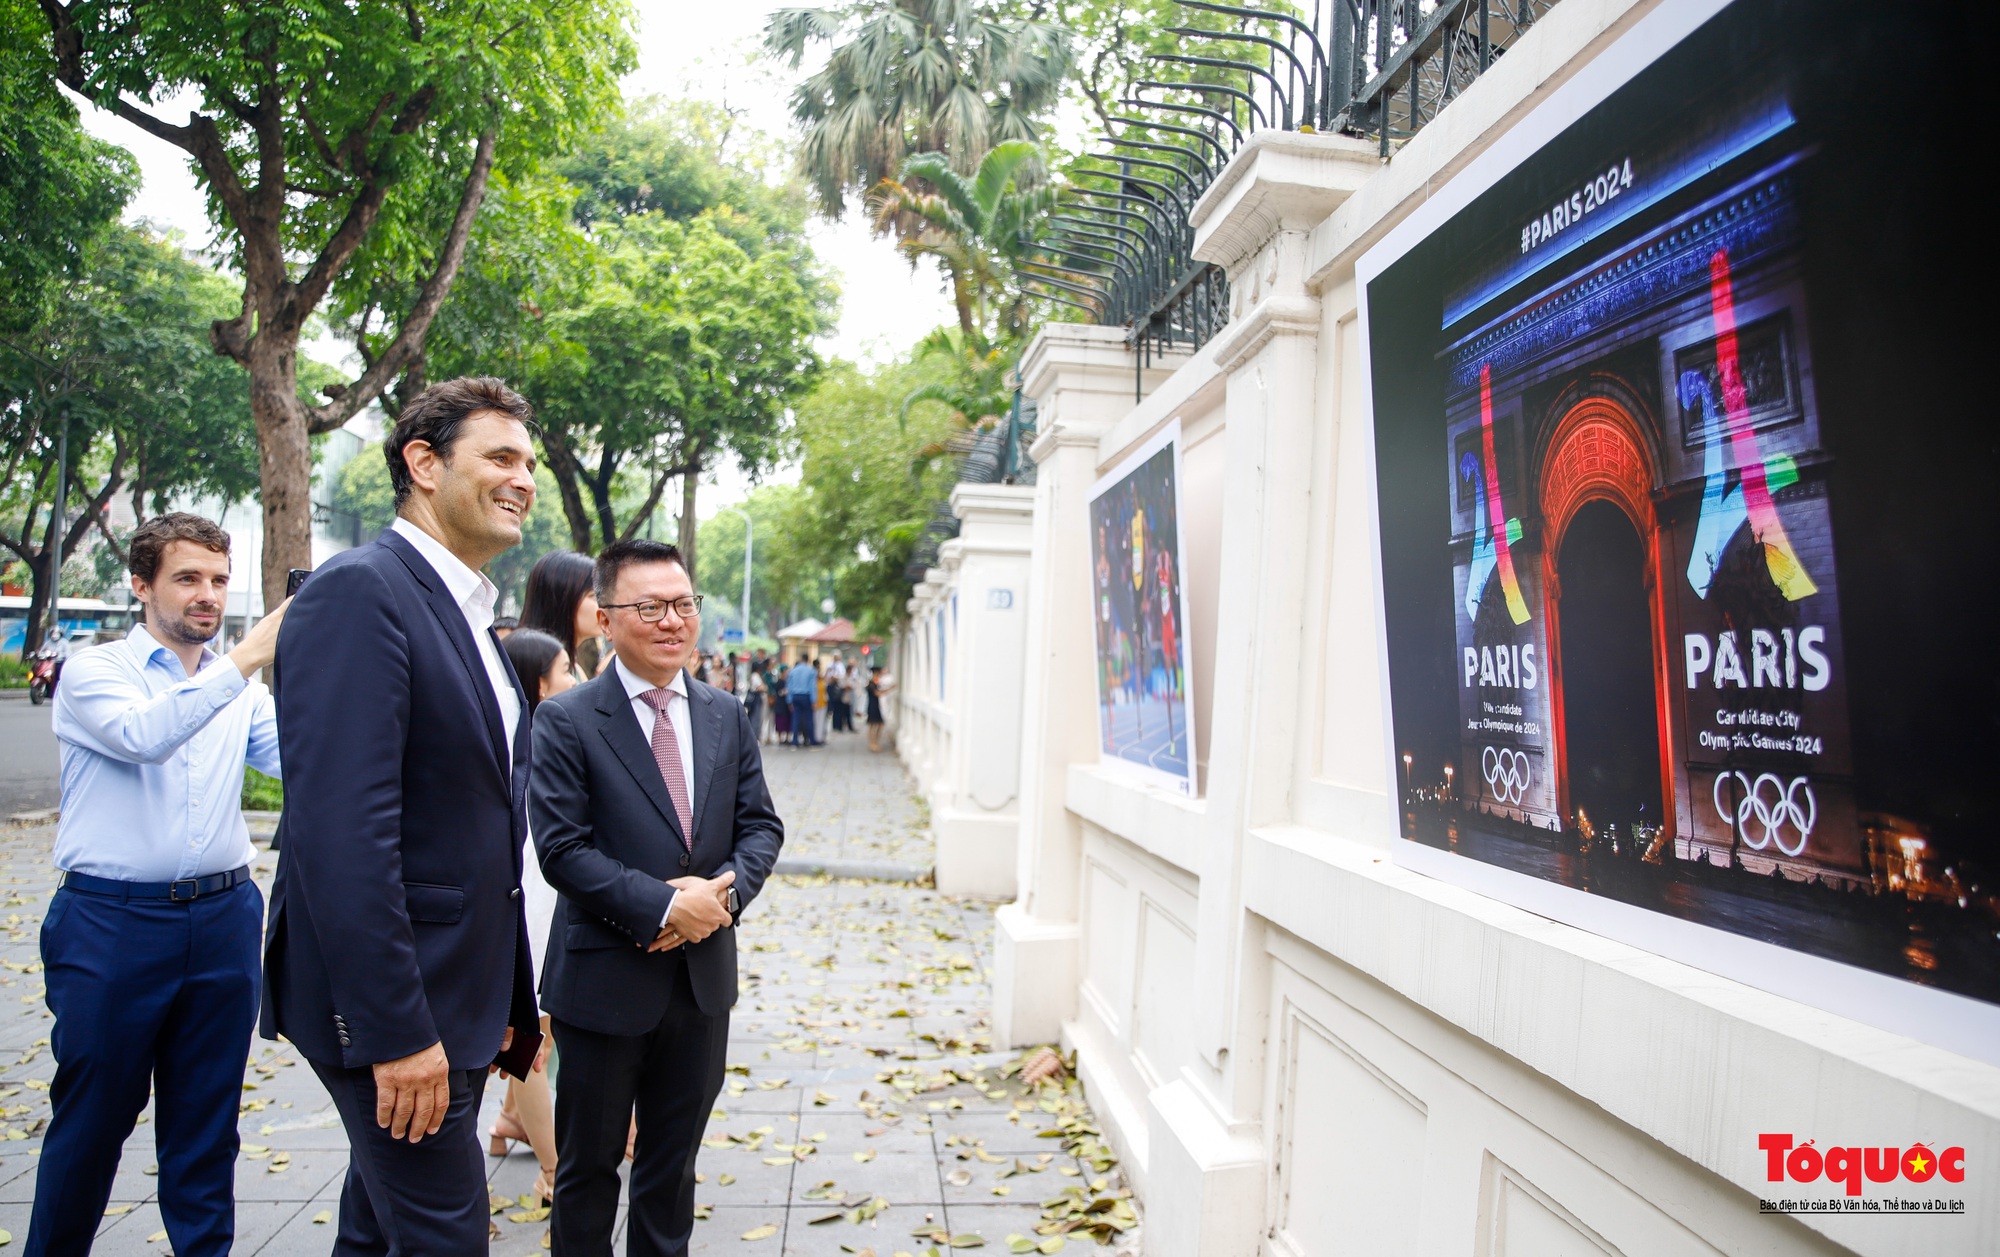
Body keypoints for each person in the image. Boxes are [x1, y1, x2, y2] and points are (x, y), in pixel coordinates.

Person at [264, 377, 544, 1252]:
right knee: (446, 1235)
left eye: (530, 463)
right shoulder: (361, 591)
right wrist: (395, 1033)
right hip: (396, 1011)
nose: (524, 479)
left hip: (457, 999)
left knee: (374, 1233)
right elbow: (341, 836)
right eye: (501, 457)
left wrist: (505, 998)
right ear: (424, 463)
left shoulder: (465, 609)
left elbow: (470, 821)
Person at [31, 515, 285, 1255]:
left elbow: (306, 759)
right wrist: (244, 660)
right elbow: (146, 736)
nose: (208, 594)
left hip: (224, 916)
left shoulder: (240, 689)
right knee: (92, 1121)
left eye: (218, 579)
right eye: (187, 578)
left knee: (207, 1125)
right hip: (110, 922)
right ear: (142, 585)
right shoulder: (96, 671)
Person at [529, 538, 784, 1255]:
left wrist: (721, 899)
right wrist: (665, 906)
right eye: (649, 607)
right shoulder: (568, 719)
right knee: (586, 1172)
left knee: (672, 1172)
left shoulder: (725, 713)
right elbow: (562, 850)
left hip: (700, 986)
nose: (672, 620)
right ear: (606, 619)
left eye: (682, 604)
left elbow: (760, 826)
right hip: (603, 983)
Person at [493, 628, 572, 1206]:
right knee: (528, 1048)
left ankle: (524, 1141)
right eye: (566, 669)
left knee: (528, 1045)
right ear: (540, 684)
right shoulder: (538, 741)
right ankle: (553, 1169)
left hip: (540, 904)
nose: (575, 678)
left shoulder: (522, 736)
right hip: (535, 909)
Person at [520, 550, 601, 684]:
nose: (605, 606)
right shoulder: (537, 670)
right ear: (563, 600)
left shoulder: (574, 669)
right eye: (594, 596)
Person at [785, 655, 818, 747]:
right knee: (809, 719)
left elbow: (789, 686)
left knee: (795, 719)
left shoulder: (793, 671)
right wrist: (814, 700)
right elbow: (812, 686)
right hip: (806, 696)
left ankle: (795, 740)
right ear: (807, 660)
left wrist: (789, 700)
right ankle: (811, 739)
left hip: (795, 696)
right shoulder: (811, 670)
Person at [866, 664, 893, 753]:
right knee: (873, 725)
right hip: (873, 706)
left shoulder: (876, 682)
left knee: (879, 724)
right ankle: (872, 743)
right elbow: (877, 693)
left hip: (877, 705)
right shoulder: (871, 683)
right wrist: (890, 689)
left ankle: (875, 742)